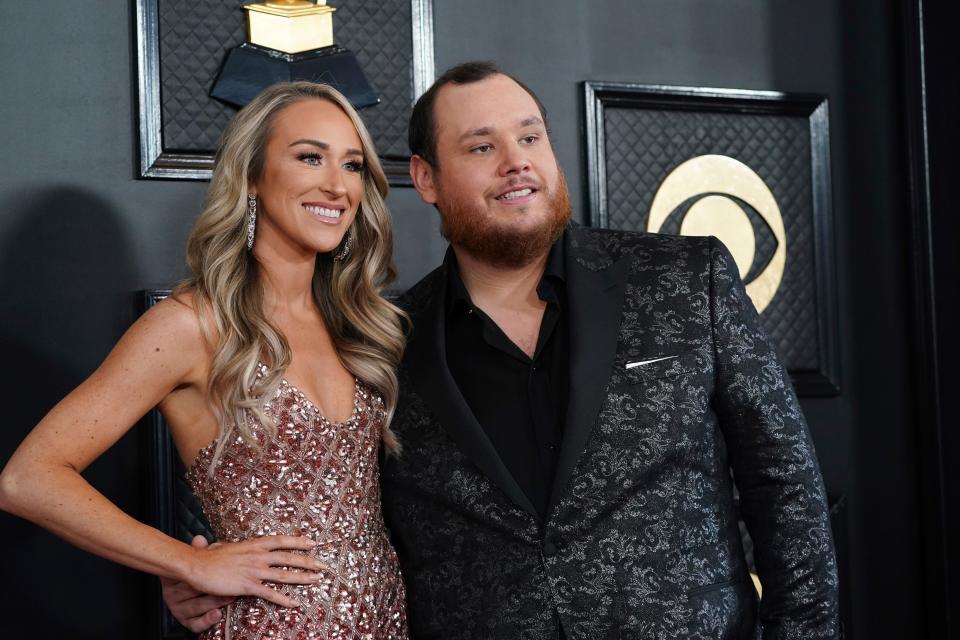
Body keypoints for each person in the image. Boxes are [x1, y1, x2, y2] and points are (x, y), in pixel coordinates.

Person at [167, 62, 841, 639]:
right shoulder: (380, 340)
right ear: (426, 179)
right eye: (481, 147)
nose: (517, 160)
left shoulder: (684, 279)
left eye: (529, 136)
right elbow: (328, 503)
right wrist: (204, 571)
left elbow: (785, 488)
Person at [0, 81, 409, 639]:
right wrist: (187, 562)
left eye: (353, 165)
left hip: (386, 618)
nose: (337, 185)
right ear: (252, 177)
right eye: (310, 157)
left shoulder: (357, 323)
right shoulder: (192, 324)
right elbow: (28, 479)